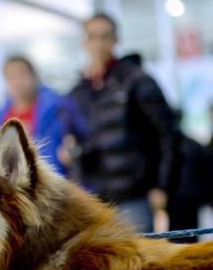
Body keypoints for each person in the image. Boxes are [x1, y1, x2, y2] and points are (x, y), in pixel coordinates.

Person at [65, 13, 179, 232]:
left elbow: (168, 134)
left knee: (138, 261)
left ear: (115, 40)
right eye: (92, 37)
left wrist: (162, 186)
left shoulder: (137, 81)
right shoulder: (78, 92)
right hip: (95, 199)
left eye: (105, 36)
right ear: (84, 42)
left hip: (135, 195)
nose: (99, 44)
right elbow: (74, 139)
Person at [0, 55, 67, 174]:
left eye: (22, 74)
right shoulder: (1, 117)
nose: (17, 81)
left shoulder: (58, 107)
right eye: (11, 77)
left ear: (34, 76)